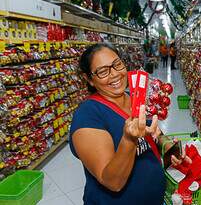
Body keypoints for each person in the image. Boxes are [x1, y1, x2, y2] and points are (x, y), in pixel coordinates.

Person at [69, 43, 190, 205]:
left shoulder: (135, 97)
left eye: (117, 64)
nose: (114, 75)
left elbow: (155, 134)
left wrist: (171, 150)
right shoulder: (87, 115)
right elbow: (112, 182)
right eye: (103, 71)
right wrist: (128, 139)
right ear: (89, 79)